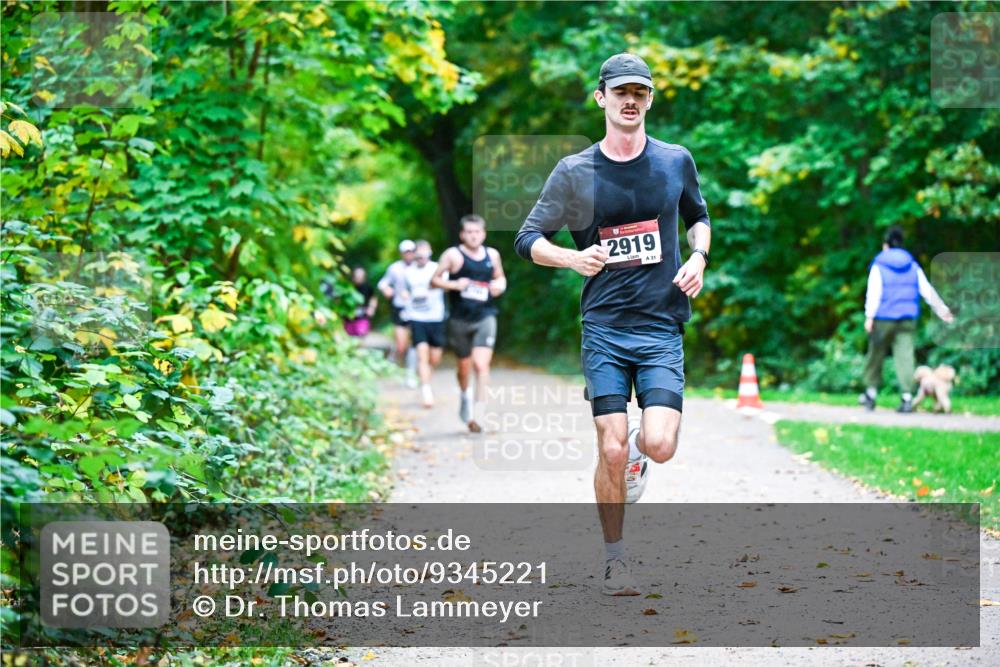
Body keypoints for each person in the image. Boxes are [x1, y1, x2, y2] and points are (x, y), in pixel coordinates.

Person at [514, 53, 711, 596]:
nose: (631, 100)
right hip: (604, 326)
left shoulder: (675, 161)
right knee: (611, 447)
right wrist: (572, 259)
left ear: (649, 100)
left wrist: (698, 258)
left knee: (660, 444)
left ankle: (640, 460)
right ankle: (616, 560)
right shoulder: (575, 172)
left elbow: (699, 217)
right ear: (601, 98)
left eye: (640, 93)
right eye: (621, 91)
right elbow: (527, 239)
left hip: (660, 324)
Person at [859, 226, 953, 413]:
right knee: (905, 356)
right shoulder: (912, 265)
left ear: (886, 245)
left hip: (883, 317)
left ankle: (870, 394)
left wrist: (869, 316)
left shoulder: (879, 265)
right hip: (907, 318)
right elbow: (926, 289)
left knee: (875, 355)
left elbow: (874, 292)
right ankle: (907, 398)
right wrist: (942, 309)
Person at [431, 215, 507, 433]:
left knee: (481, 365)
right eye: (469, 232)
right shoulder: (453, 255)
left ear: (483, 234)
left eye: (477, 232)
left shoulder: (492, 255)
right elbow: (434, 280)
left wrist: (499, 287)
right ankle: (465, 397)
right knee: (464, 368)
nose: (474, 236)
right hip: (459, 319)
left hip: (485, 316)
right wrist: (455, 284)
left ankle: (480, 414)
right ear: (462, 234)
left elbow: (500, 277)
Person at [402, 241, 447, 408]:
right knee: (422, 354)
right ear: (414, 255)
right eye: (418, 254)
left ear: (430, 253)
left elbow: (447, 286)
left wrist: (436, 284)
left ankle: (425, 376)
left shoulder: (438, 268)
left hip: (436, 317)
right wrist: (405, 296)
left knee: (435, 357)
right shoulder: (408, 272)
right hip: (417, 317)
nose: (421, 257)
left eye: (424, 254)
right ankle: (426, 392)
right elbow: (404, 290)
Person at [378, 240, 418, 386]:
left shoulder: (419, 267)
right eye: (406, 252)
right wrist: (387, 290)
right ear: (401, 254)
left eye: (411, 251)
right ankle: (392, 360)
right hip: (400, 308)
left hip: (417, 309)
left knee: (414, 343)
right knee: (401, 344)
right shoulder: (394, 268)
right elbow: (383, 283)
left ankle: (410, 374)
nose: (409, 255)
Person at [343, 266, 378, 338]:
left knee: (361, 337)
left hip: (362, 317)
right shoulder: (347, 287)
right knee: (350, 338)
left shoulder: (367, 287)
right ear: (353, 276)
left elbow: (373, 298)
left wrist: (372, 308)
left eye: (361, 276)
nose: (359, 278)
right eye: (357, 276)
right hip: (348, 319)